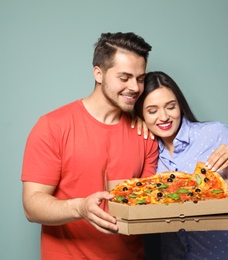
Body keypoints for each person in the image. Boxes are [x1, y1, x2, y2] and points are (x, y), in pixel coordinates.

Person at [21, 32, 158, 259]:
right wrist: (80, 208)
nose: (134, 87)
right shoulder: (52, 127)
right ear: (99, 74)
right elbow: (31, 205)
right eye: (124, 78)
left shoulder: (145, 134)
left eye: (140, 78)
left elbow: (146, 204)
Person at [134, 71, 228, 260]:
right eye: (152, 111)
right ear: (141, 114)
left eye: (171, 106)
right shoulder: (147, 150)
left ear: (180, 106)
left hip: (224, 254)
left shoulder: (214, 134)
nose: (164, 116)